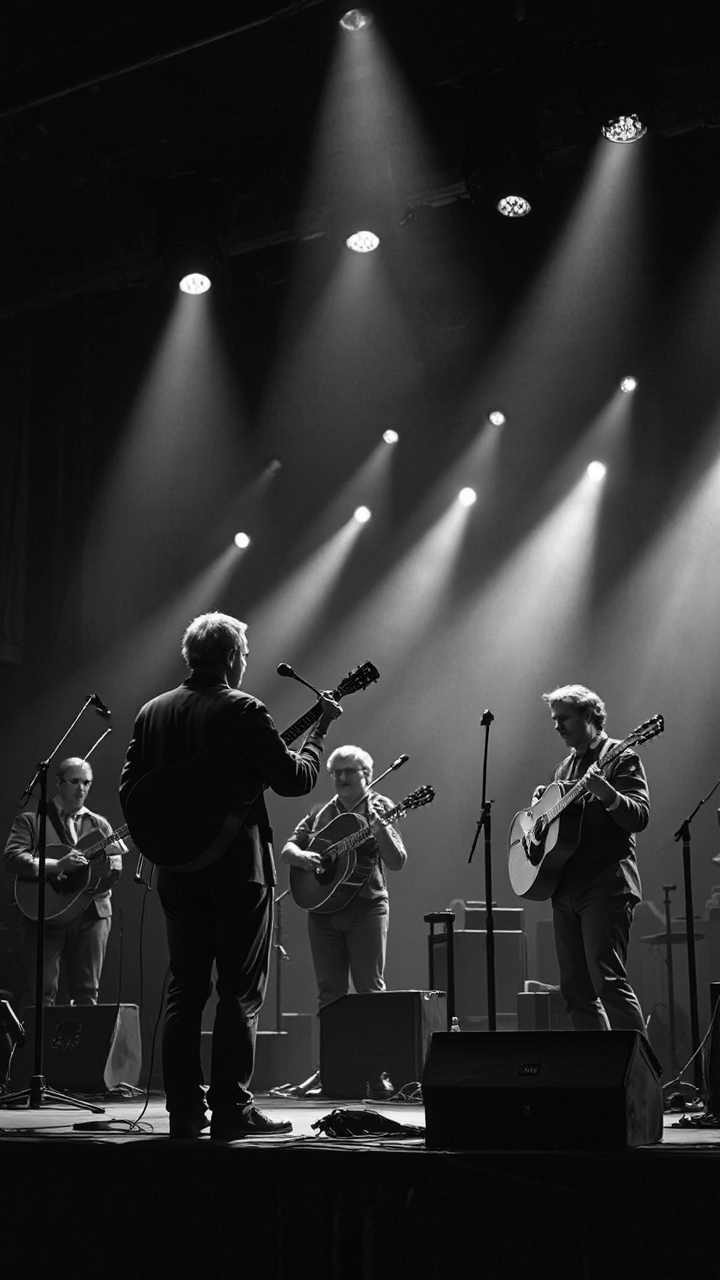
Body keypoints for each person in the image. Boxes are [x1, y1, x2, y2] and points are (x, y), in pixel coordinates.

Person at [119, 611, 341, 1140]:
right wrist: (321, 730)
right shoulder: (243, 707)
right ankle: (232, 1110)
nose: (246, 661)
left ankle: (184, 1113)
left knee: (185, 989)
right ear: (231, 657)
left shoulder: (152, 712)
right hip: (237, 870)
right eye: (244, 654)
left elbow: (131, 790)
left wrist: (165, 836)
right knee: (240, 991)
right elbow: (293, 780)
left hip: (175, 870)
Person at [534, 683, 649, 1033]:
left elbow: (639, 816)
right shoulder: (563, 768)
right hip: (565, 887)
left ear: (589, 715)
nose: (557, 725)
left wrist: (609, 794)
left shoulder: (621, 756)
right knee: (575, 991)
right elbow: (556, 833)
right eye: (554, 719)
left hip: (606, 882)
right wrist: (542, 809)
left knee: (608, 983)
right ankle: (600, 1078)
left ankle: (640, 1082)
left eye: (564, 718)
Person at [281, 744, 407, 1011]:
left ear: (367, 774)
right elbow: (288, 850)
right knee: (329, 993)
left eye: (348, 771)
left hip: (366, 908)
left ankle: (372, 1053)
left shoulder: (381, 807)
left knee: (369, 989)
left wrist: (381, 830)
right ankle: (335, 1052)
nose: (341, 778)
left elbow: (397, 862)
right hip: (322, 911)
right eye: (335, 773)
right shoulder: (319, 814)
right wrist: (302, 857)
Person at [4, 757, 125, 1006]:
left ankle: (78, 1045)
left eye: (86, 783)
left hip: (91, 915)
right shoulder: (31, 820)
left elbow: (115, 867)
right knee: (42, 992)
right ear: (58, 783)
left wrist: (104, 871)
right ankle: (40, 1044)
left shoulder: (99, 825)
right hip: (46, 914)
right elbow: (13, 857)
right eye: (75, 781)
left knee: (87, 993)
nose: (81, 789)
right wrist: (57, 866)